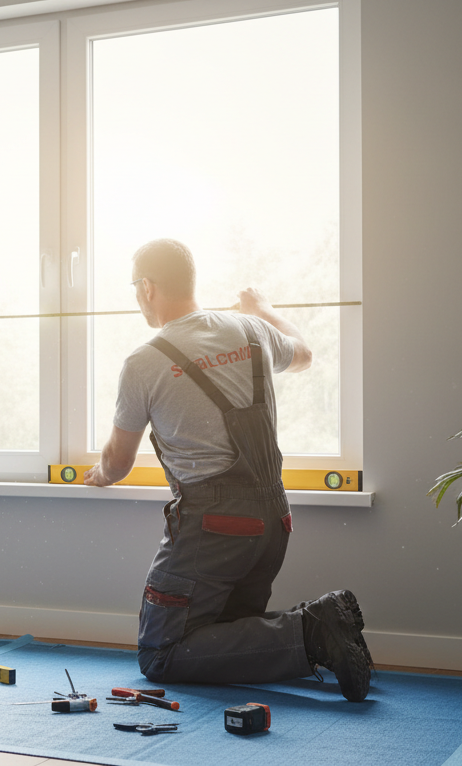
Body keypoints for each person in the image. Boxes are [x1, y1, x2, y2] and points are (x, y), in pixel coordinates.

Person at [84, 238, 372, 702]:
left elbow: (116, 464)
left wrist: (96, 475)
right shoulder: (250, 330)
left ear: (147, 287)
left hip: (213, 527)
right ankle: (317, 633)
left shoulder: (144, 361)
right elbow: (303, 355)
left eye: (135, 286)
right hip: (273, 520)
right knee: (223, 634)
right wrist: (264, 309)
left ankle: (314, 629)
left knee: (161, 653)